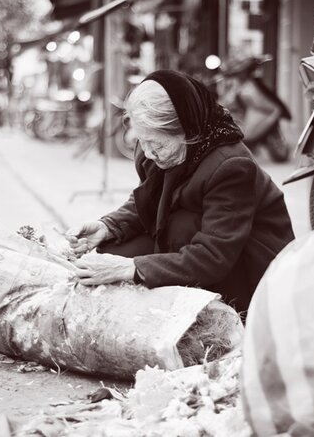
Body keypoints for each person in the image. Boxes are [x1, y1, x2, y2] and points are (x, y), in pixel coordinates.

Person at [66, 70, 295, 313]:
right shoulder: (153, 151)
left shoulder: (231, 166)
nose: (149, 153)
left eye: (158, 145)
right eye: (142, 141)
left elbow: (213, 255)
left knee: (174, 233)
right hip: (197, 240)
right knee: (109, 254)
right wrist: (108, 226)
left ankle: (221, 312)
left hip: (246, 261)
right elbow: (147, 199)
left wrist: (130, 268)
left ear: (188, 132)